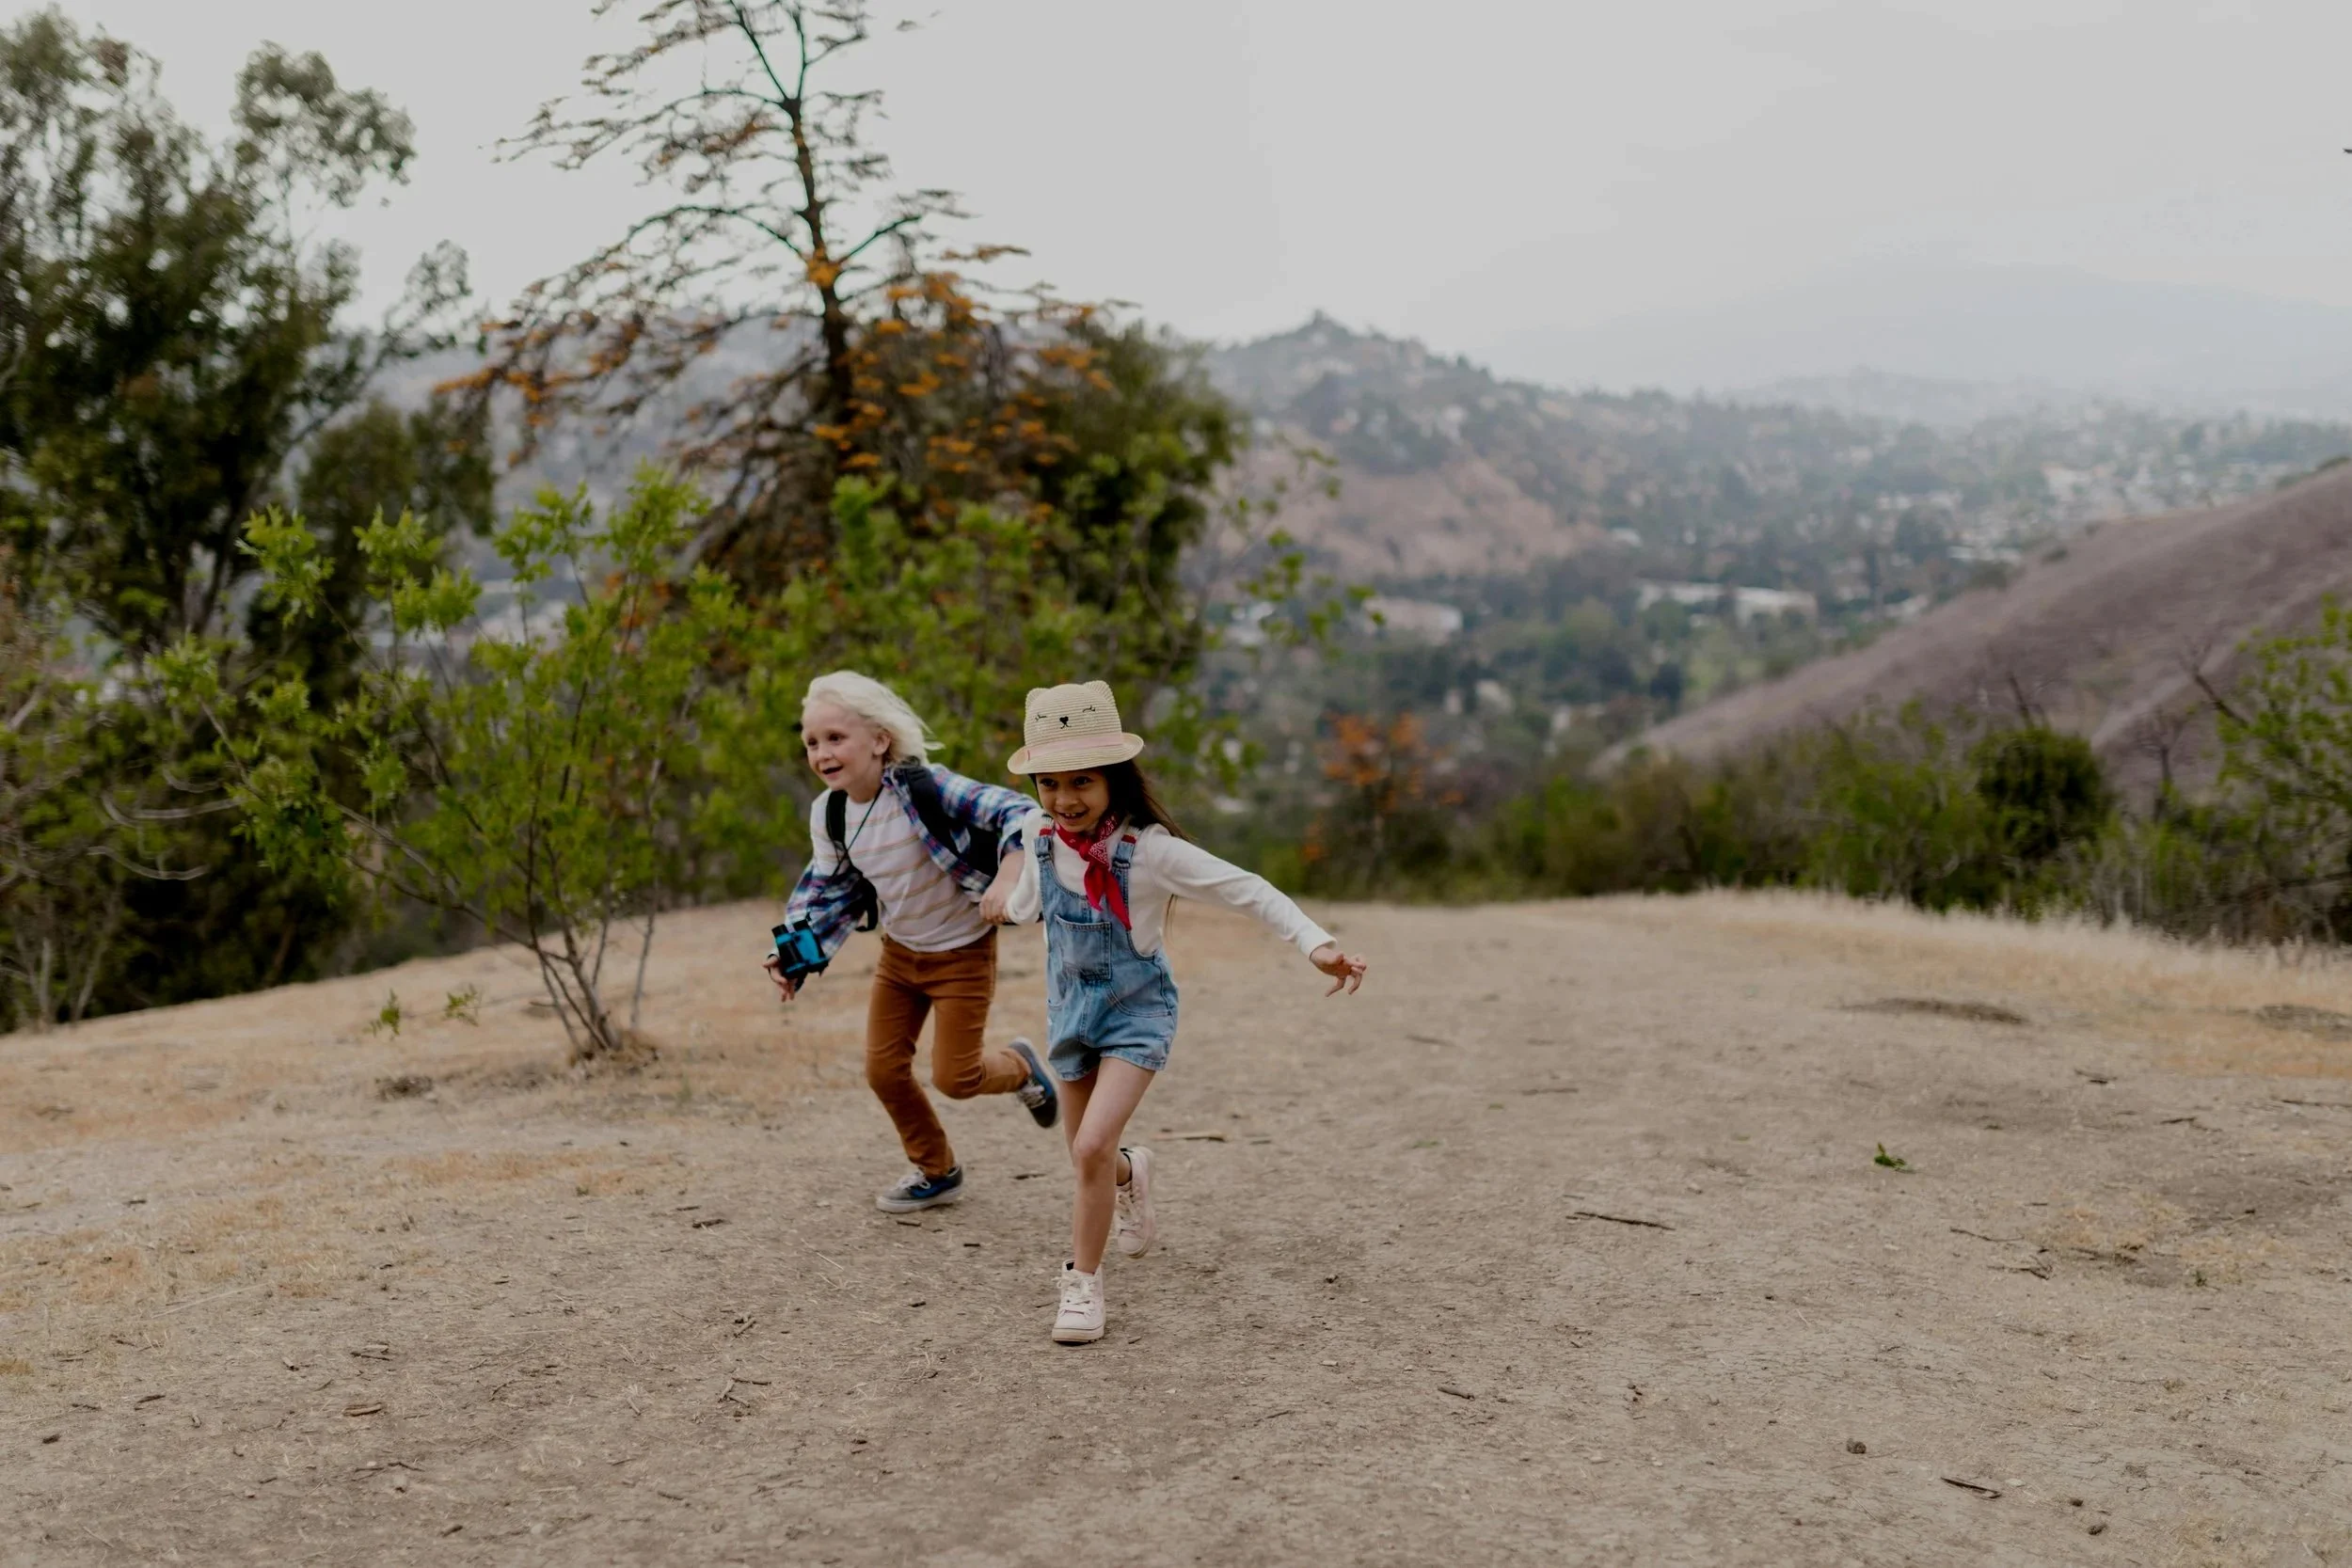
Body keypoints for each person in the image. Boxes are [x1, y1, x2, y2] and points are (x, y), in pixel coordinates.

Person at [994, 680, 1368, 1344]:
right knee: (1088, 1157)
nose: (1064, 799)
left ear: (1114, 779)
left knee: (1089, 1145)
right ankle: (1131, 1173)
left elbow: (1247, 889)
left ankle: (1082, 1285)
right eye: (1049, 783)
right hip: (1071, 1012)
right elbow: (1029, 904)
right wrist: (1003, 904)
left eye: (1081, 781)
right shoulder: (1037, 834)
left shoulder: (1151, 851)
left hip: (1136, 1014)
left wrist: (1317, 944)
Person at [763, 672, 1060, 1212]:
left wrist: (1011, 869)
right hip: (899, 958)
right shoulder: (830, 814)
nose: (822, 753)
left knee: (956, 1077)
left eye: (835, 738)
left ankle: (1020, 1067)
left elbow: (1019, 812)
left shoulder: (925, 788)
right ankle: (937, 1170)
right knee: (883, 1072)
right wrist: (792, 958)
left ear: (880, 740)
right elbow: (825, 891)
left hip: (963, 953)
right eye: (811, 742)